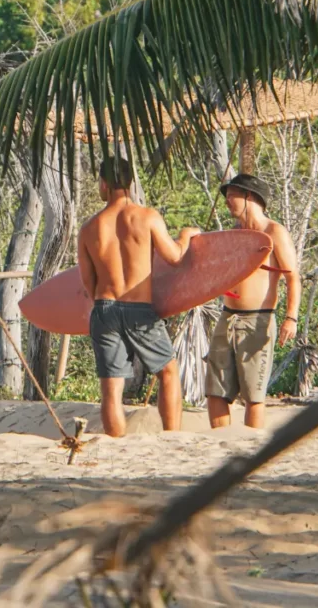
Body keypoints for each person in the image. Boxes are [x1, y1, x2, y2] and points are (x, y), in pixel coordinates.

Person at [77, 156, 200, 437]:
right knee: (168, 373)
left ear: (104, 184)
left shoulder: (89, 228)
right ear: (131, 184)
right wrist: (186, 235)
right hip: (139, 309)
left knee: (112, 387)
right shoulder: (147, 217)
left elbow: (88, 283)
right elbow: (175, 257)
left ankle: (117, 446)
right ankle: (172, 439)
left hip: (104, 308)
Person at [206, 173, 301, 429]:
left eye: (232, 194)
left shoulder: (274, 232)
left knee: (253, 393)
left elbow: (293, 279)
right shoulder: (233, 234)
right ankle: (220, 445)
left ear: (249, 196)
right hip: (227, 316)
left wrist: (291, 317)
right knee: (215, 389)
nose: (227, 200)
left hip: (258, 319)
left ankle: (249, 449)